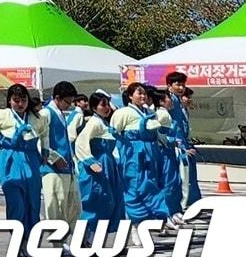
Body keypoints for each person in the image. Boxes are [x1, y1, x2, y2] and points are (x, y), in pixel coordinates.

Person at [0, 84, 59, 257]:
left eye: (23, 100)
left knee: (32, 202)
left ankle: (29, 243)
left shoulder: (36, 117)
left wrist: (46, 150)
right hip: (10, 160)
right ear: (9, 100)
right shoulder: (2, 115)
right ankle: (18, 240)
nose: (20, 104)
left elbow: (45, 132)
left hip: (31, 159)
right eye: (16, 100)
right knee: (16, 202)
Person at [111, 82, 172, 231]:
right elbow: (114, 133)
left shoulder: (149, 112)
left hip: (151, 154)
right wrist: (119, 153)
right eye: (139, 93)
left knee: (151, 185)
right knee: (134, 186)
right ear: (130, 96)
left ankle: (156, 218)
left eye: (144, 93)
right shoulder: (123, 112)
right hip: (133, 155)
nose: (143, 96)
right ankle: (136, 224)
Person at [74, 92, 123, 245]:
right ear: (94, 107)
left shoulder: (104, 123)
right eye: (103, 105)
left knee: (108, 201)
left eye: (108, 104)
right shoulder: (94, 123)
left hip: (109, 165)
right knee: (96, 201)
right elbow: (80, 141)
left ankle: (93, 240)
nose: (107, 107)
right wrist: (90, 161)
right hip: (99, 166)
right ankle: (84, 240)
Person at [40, 81, 80, 247]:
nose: (69, 105)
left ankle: (63, 237)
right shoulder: (46, 113)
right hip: (51, 169)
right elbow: (41, 139)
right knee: (55, 205)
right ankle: (57, 242)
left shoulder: (61, 114)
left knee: (71, 206)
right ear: (57, 98)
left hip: (67, 168)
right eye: (67, 101)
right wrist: (53, 158)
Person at [164, 73, 200, 211]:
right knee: (180, 177)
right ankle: (178, 207)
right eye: (177, 84)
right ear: (169, 86)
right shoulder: (170, 101)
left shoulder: (179, 102)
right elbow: (172, 126)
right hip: (176, 145)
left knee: (188, 176)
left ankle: (191, 204)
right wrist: (180, 145)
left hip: (184, 142)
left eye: (183, 85)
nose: (181, 88)